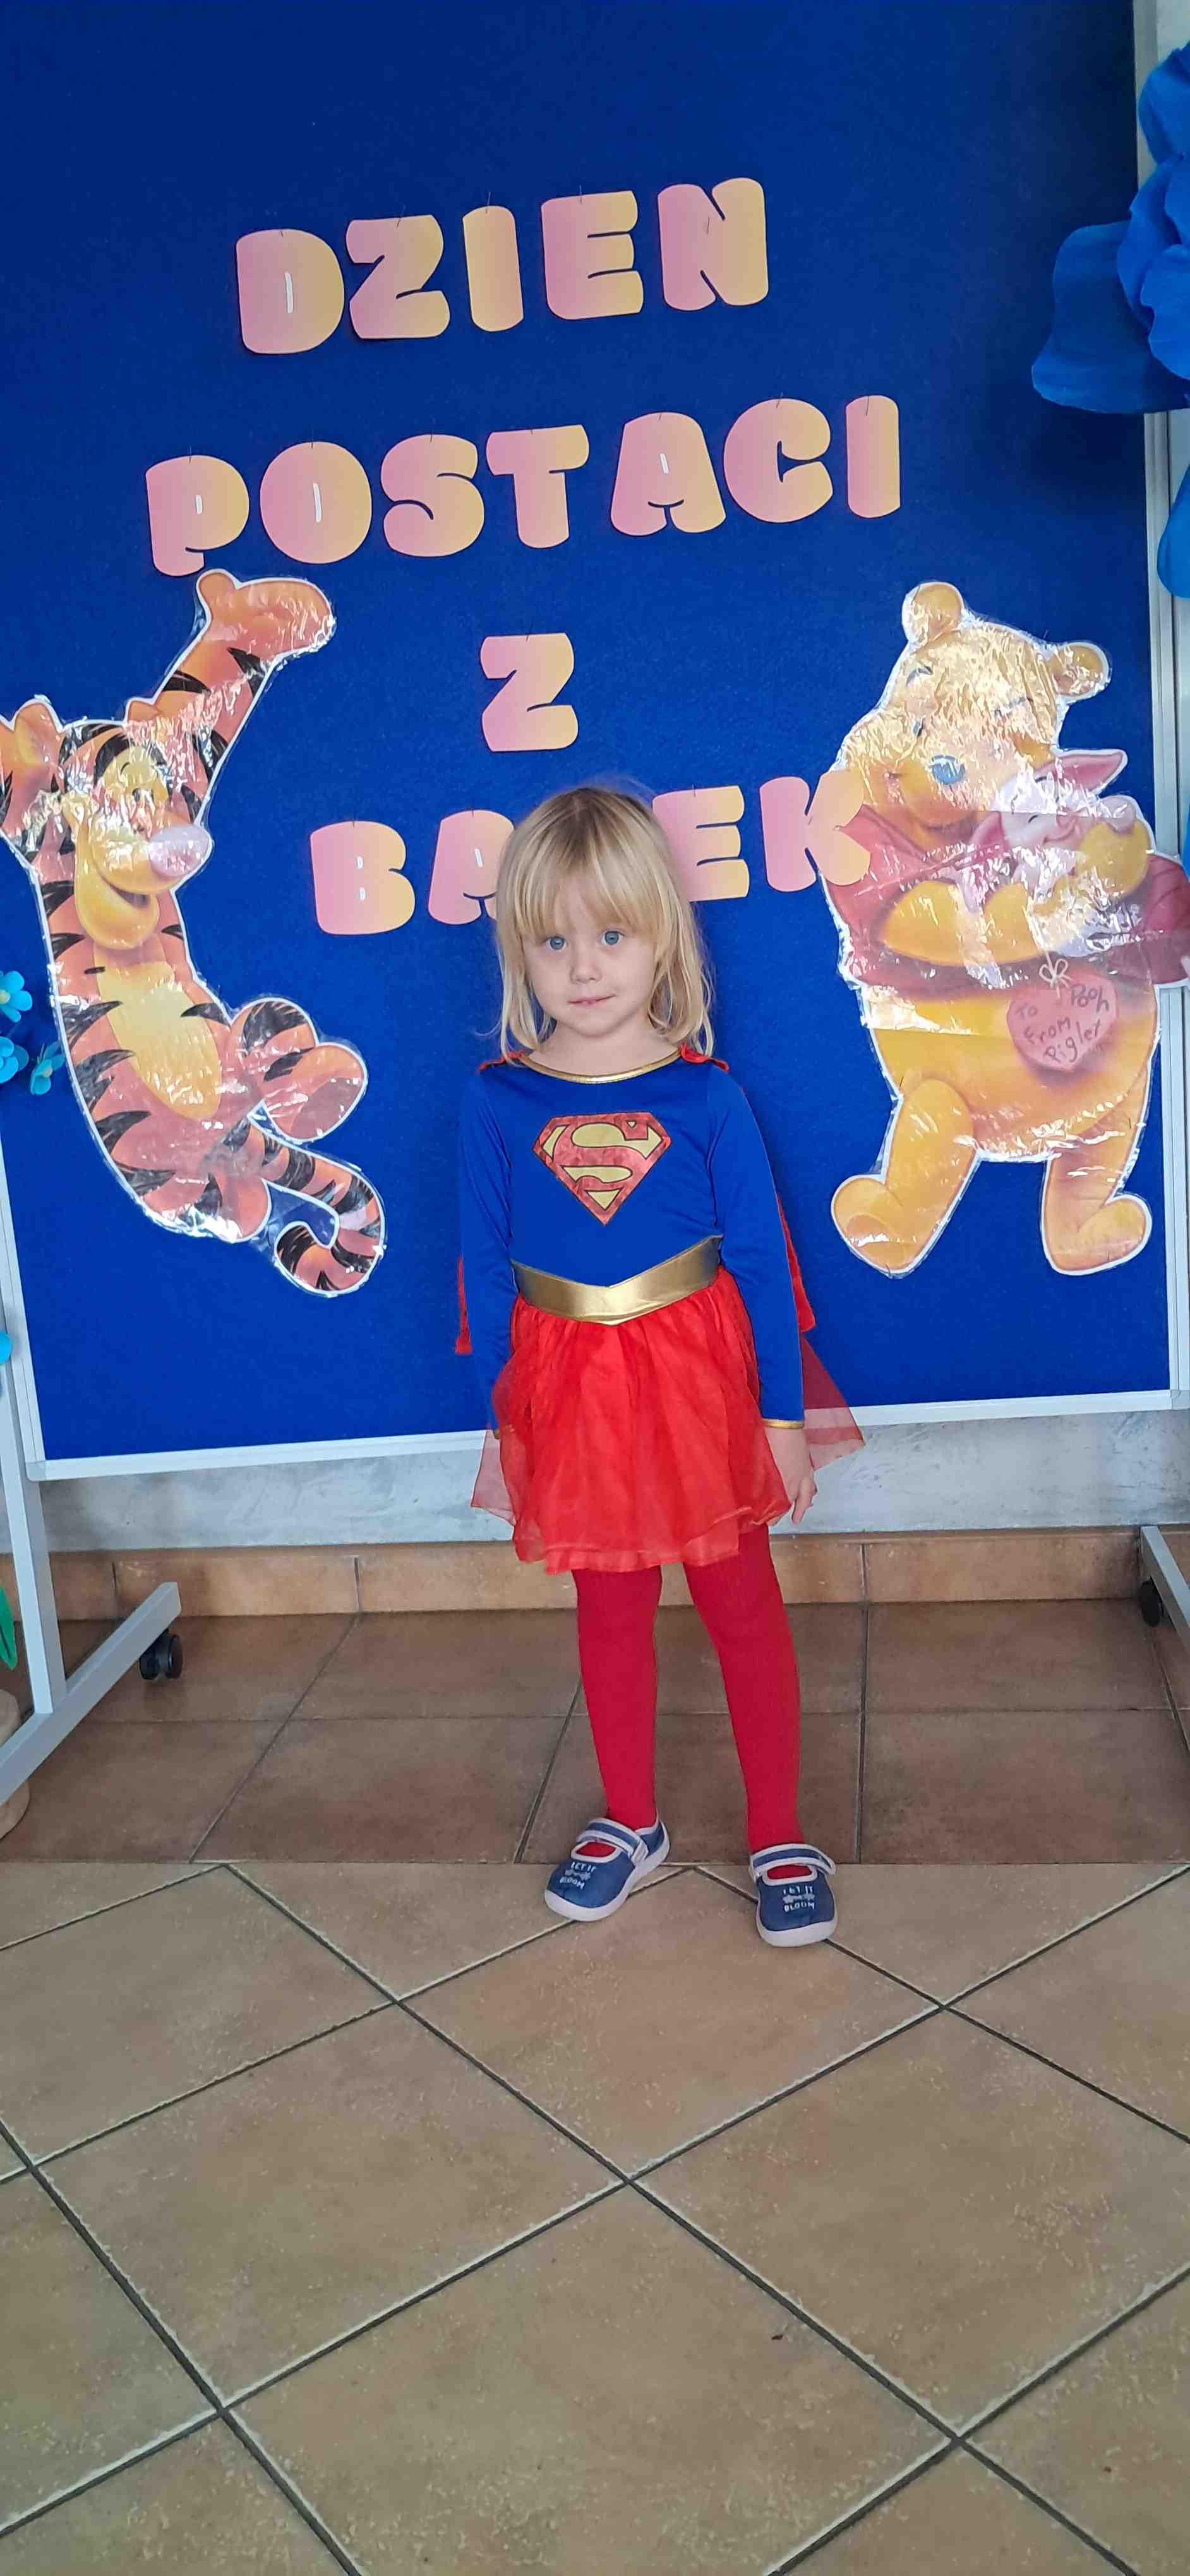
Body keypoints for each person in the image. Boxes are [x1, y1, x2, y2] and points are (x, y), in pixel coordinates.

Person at [457, 787, 860, 1948]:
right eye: (553, 940)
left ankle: (778, 1829)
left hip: (699, 1386)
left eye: (612, 934)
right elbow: (483, 1266)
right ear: (519, 950)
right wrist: (508, 1414)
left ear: (662, 941)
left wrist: (781, 1422)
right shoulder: (496, 1100)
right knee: (610, 1604)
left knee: (741, 1601)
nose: (584, 967)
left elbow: (764, 1265)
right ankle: (633, 1820)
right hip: (570, 1389)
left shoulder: (705, 1095)